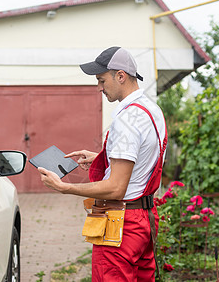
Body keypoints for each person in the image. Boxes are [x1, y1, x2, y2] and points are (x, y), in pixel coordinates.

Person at [38, 46, 167, 281]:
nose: (99, 87)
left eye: (101, 80)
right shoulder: (151, 110)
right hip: (145, 219)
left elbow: (116, 188)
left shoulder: (127, 118)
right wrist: (102, 156)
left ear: (120, 76)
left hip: (122, 225)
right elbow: (142, 157)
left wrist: (65, 188)